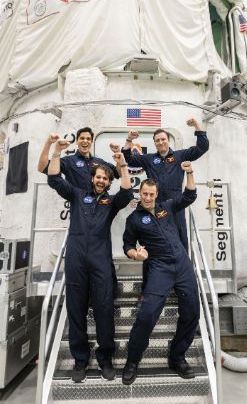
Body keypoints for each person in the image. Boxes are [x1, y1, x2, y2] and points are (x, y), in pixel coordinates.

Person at [47, 140, 133, 383]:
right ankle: (80, 360)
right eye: (98, 177)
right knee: (76, 311)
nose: (101, 181)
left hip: (100, 263)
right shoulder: (76, 195)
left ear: (108, 182)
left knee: (105, 310)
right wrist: (56, 152)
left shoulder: (111, 203)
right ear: (92, 178)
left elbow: (126, 192)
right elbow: (54, 179)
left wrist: (122, 164)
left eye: (106, 179)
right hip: (76, 261)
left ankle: (105, 359)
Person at [122, 161, 200, 385]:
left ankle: (177, 357)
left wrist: (190, 173)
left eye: (151, 194)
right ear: (140, 193)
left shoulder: (167, 206)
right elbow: (126, 244)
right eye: (144, 193)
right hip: (159, 267)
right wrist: (135, 255)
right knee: (146, 315)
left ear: (156, 194)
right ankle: (133, 360)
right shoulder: (134, 219)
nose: (148, 197)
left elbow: (189, 196)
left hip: (182, 264)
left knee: (192, 312)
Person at [38, 127, 120, 296]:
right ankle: (84, 294)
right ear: (77, 141)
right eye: (82, 138)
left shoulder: (100, 163)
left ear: (92, 141)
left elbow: (118, 172)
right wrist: (49, 144)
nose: (85, 141)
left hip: (100, 211)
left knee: (103, 254)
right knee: (79, 259)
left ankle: (109, 293)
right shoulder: (69, 161)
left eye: (88, 138)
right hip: (80, 210)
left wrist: (119, 154)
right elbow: (42, 168)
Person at [121, 118, 208, 251]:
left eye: (163, 139)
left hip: (176, 206)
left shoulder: (181, 155)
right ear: (155, 143)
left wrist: (197, 125)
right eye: (157, 140)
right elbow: (128, 159)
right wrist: (129, 140)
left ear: (168, 140)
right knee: (156, 240)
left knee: (180, 239)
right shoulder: (149, 159)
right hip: (155, 207)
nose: (161, 142)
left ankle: (183, 268)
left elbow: (202, 147)